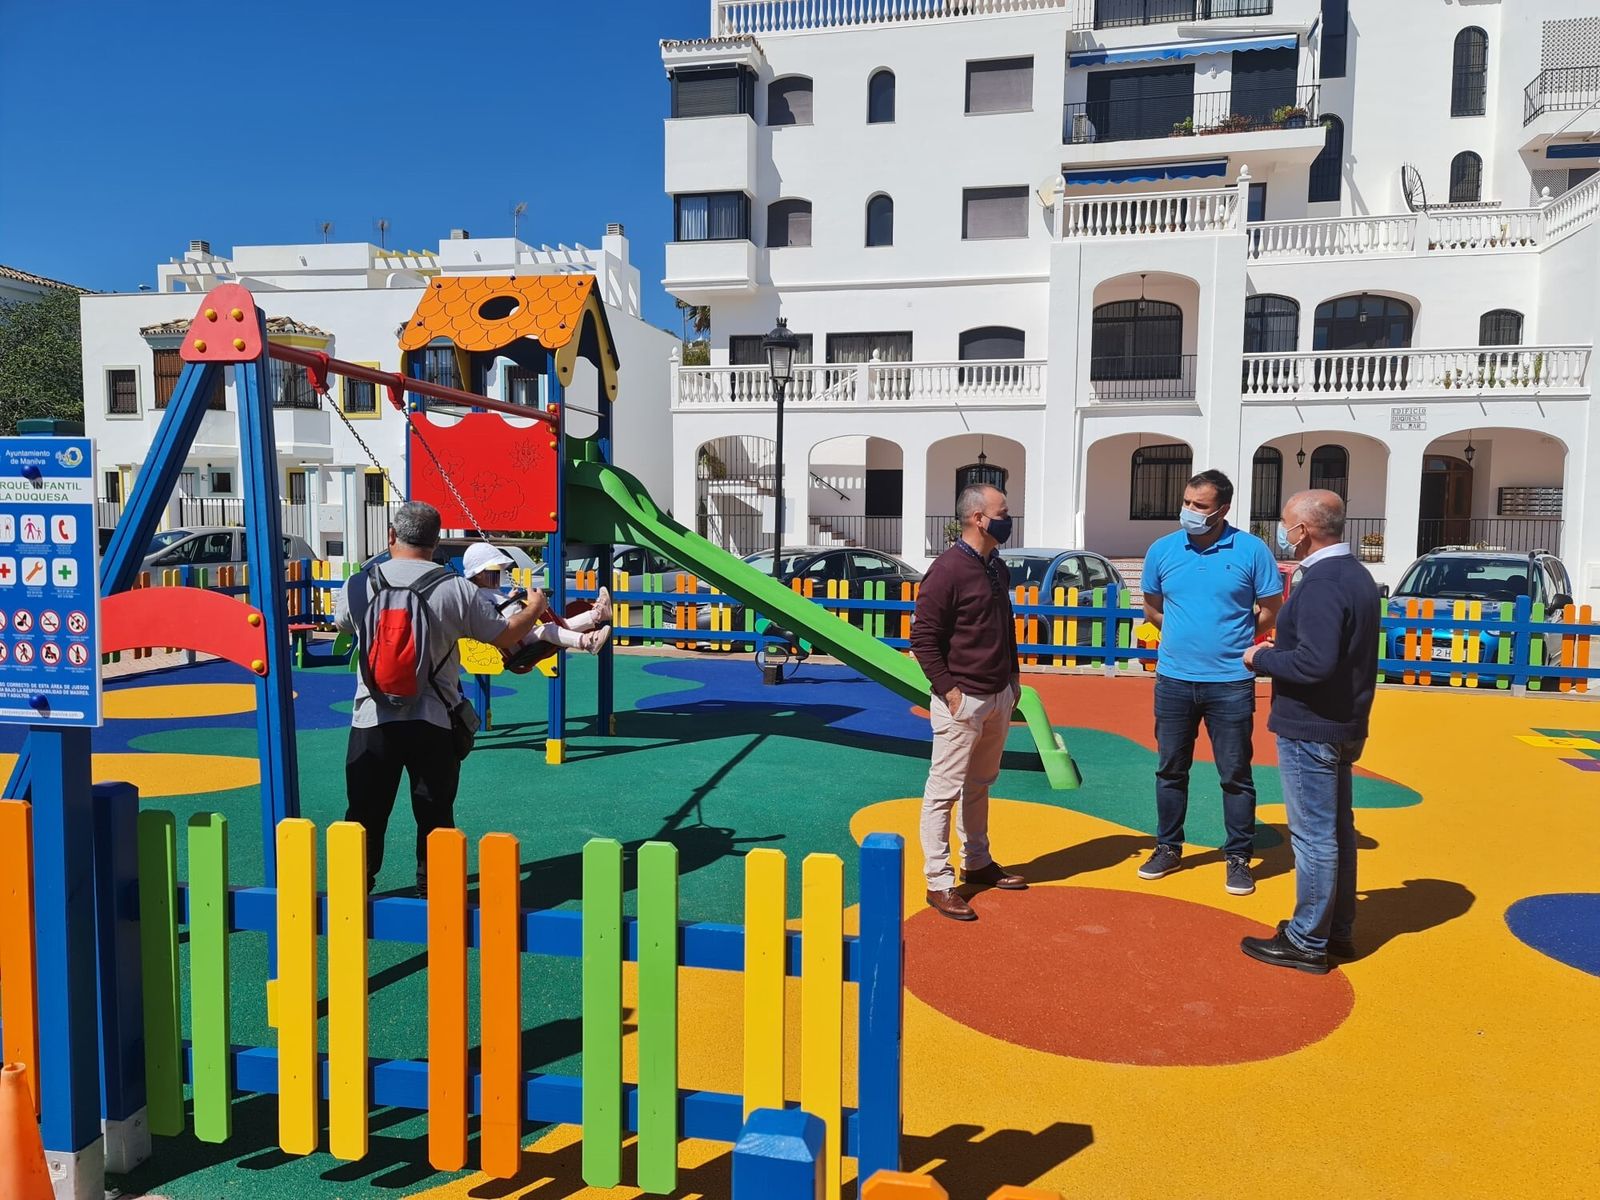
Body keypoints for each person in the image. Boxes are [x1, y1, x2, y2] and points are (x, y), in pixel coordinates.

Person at [336, 503, 544, 896]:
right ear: (436, 542)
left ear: (391, 537)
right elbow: (503, 635)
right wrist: (533, 608)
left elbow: (341, 621)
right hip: (433, 719)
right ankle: (435, 893)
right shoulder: (455, 588)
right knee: (434, 814)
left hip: (371, 717)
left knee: (364, 812)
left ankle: (355, 891)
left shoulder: (359, 584)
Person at [1240, 490, 1380, 974]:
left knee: (1314, 836)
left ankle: (1306, 940)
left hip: (1312, 724)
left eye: (1285, 523)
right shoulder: (1356, 576)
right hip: (1343, 719)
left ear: (1303, 530)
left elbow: (1314, 663)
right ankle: (1333, 929)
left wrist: (1263, 657)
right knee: (1337, 830)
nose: (1282, 530)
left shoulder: (1322, 582)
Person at [1137, 470, 1284, 897]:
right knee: (1170, 769)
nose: (1190, 512)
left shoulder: (1251, 550)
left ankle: (1238, 855)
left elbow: (1271, 608)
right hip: (1174, 680)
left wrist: (1235, 640)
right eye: (1187, 502)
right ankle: (1168, 846)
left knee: (1235, 773)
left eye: (1200, 506)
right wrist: (1184, 632)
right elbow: (1151, 607)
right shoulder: (1162, 550)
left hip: (1231, 682)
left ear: (1222, 509)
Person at [910, 483, 1027, 921]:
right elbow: (922, 638)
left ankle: (976, 861)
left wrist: (1012, 679)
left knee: (979, 785)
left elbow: (1004, 626)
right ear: (979, 518)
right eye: (1002, 511)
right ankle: (938, 881)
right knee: (943, 792)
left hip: (997, 695)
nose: (1007, 517)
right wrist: (950, 690)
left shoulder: (996, 566)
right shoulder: (947, 570)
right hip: (963, 699)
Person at [460, 542, 612, 655]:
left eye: (500, 569)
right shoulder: (480, 595)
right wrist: (520, 603)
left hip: (522, 635)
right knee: (548, 629)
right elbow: (495, 618)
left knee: (560, 625)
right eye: (495, 570)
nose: (500, 573)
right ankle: (587, 642)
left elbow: (500, 607)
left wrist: (510, 598)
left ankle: (598, 614)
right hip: (515, 642)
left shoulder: (491, 591)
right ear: (479, 574)